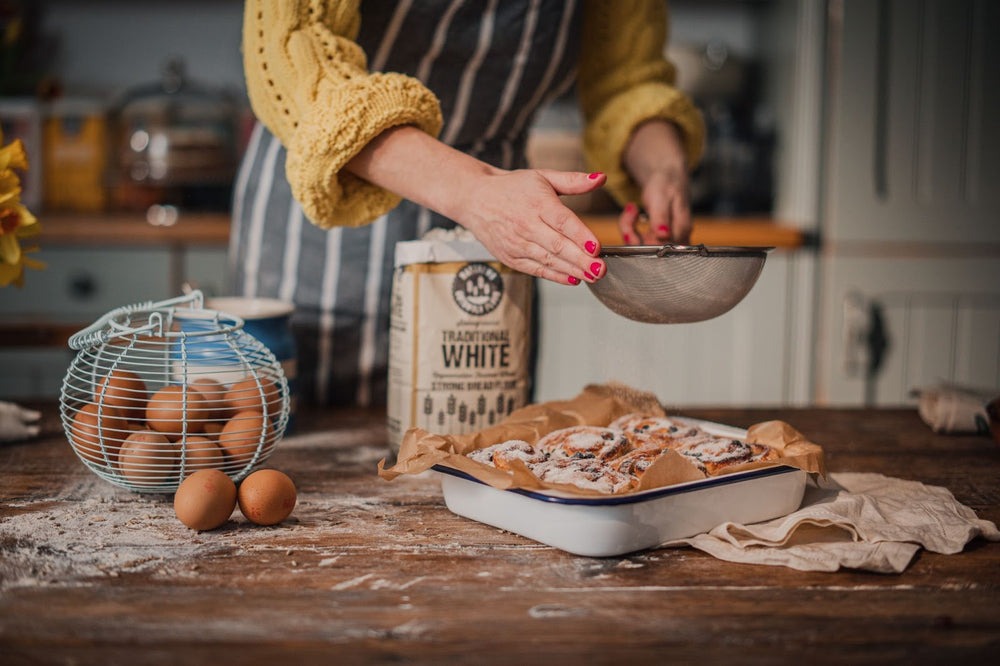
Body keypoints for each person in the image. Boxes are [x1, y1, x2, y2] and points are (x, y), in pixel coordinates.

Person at [230, 0, 705, 406]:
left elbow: (627, 81)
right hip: (326, 215)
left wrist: (661, 167)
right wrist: (475, 190)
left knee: (479, 456)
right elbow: (292, 57)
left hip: (501, 230)